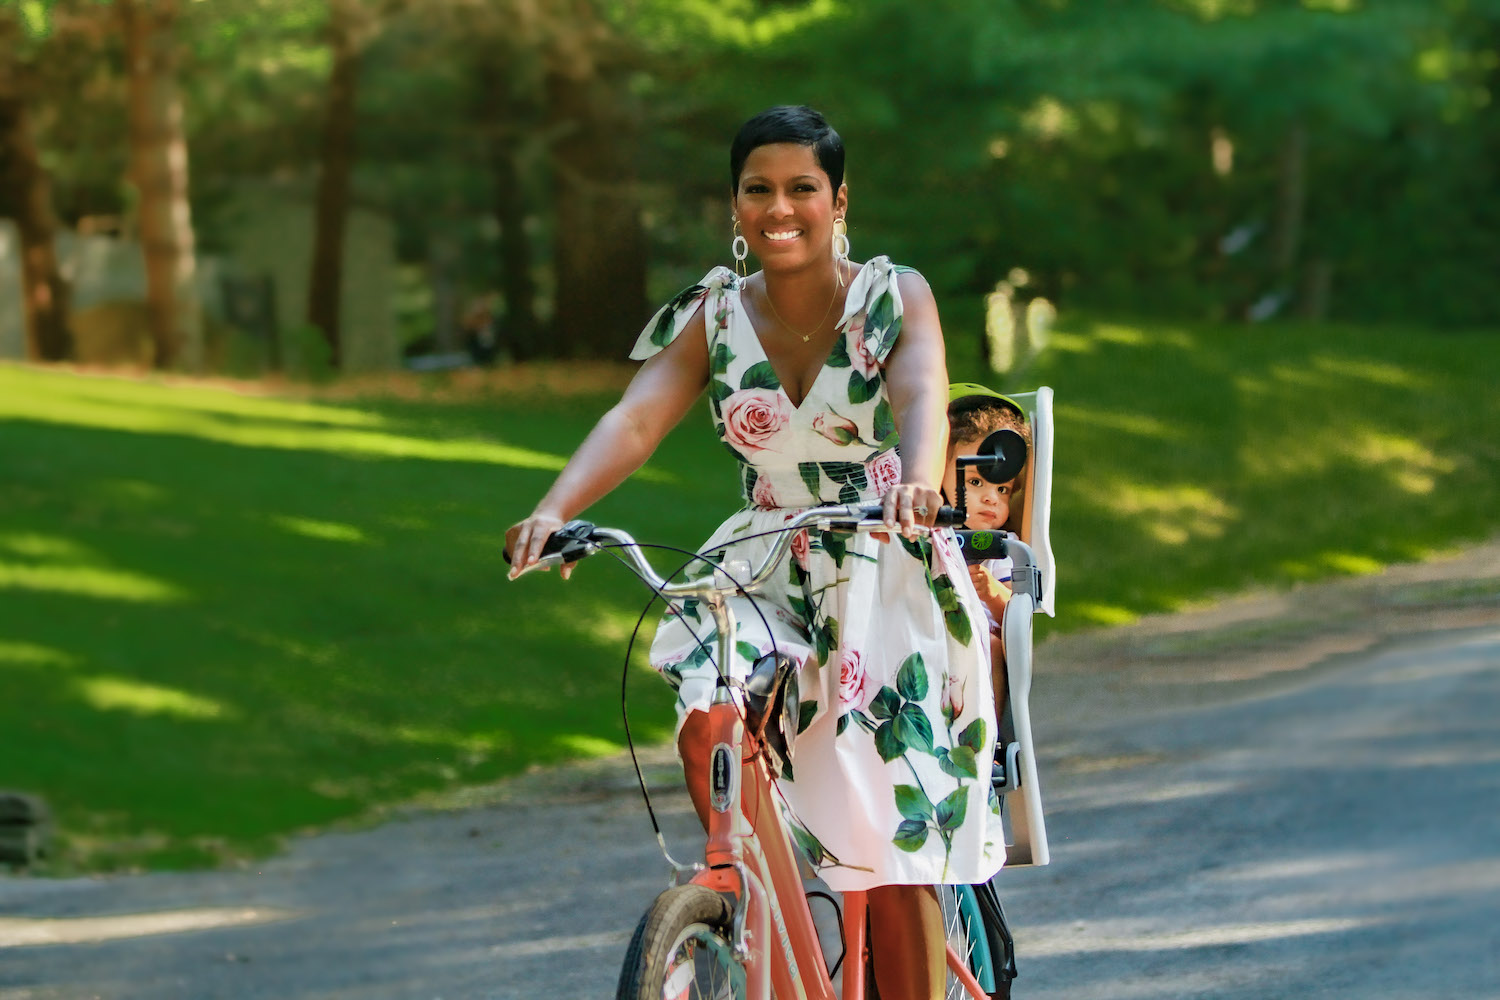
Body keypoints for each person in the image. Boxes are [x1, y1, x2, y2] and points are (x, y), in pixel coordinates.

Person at [504, 105, 1002, 999]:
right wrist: (553, 508)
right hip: (763, 555)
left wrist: (920, 481)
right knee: (708, 707)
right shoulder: (716, 313)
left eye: (801, 188)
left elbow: (924, 391)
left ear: (838, 200)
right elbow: (636, 417)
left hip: (882, 550)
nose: (780, 208)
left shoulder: (894, 295)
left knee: (888, 831)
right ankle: (747, 896)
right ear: (733, 207)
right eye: (757, 189)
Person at [943, 383, 1033, 714]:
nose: (991, 498)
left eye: (1004, 488)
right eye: (975, 482)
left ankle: (987, 740)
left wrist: (992, 590)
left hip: (977, 644)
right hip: (926, 634)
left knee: (993, 648)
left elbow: (1017, 614)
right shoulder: (924, 533)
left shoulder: (1001, 549)